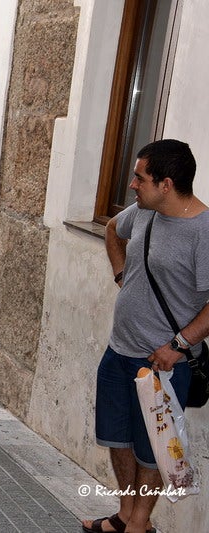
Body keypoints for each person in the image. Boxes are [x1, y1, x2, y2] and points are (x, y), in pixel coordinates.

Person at [81, 139, 208, 533]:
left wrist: (179, 345)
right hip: (118, 350)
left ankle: (139, 523)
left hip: (161, 362)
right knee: (117, 439)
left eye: (140, 178)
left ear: (166, 184)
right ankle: (125, 513)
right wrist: (121, 274)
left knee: (153, 448)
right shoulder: (145, 212)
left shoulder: (203, 231)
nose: (132, 184)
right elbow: (113, 230)